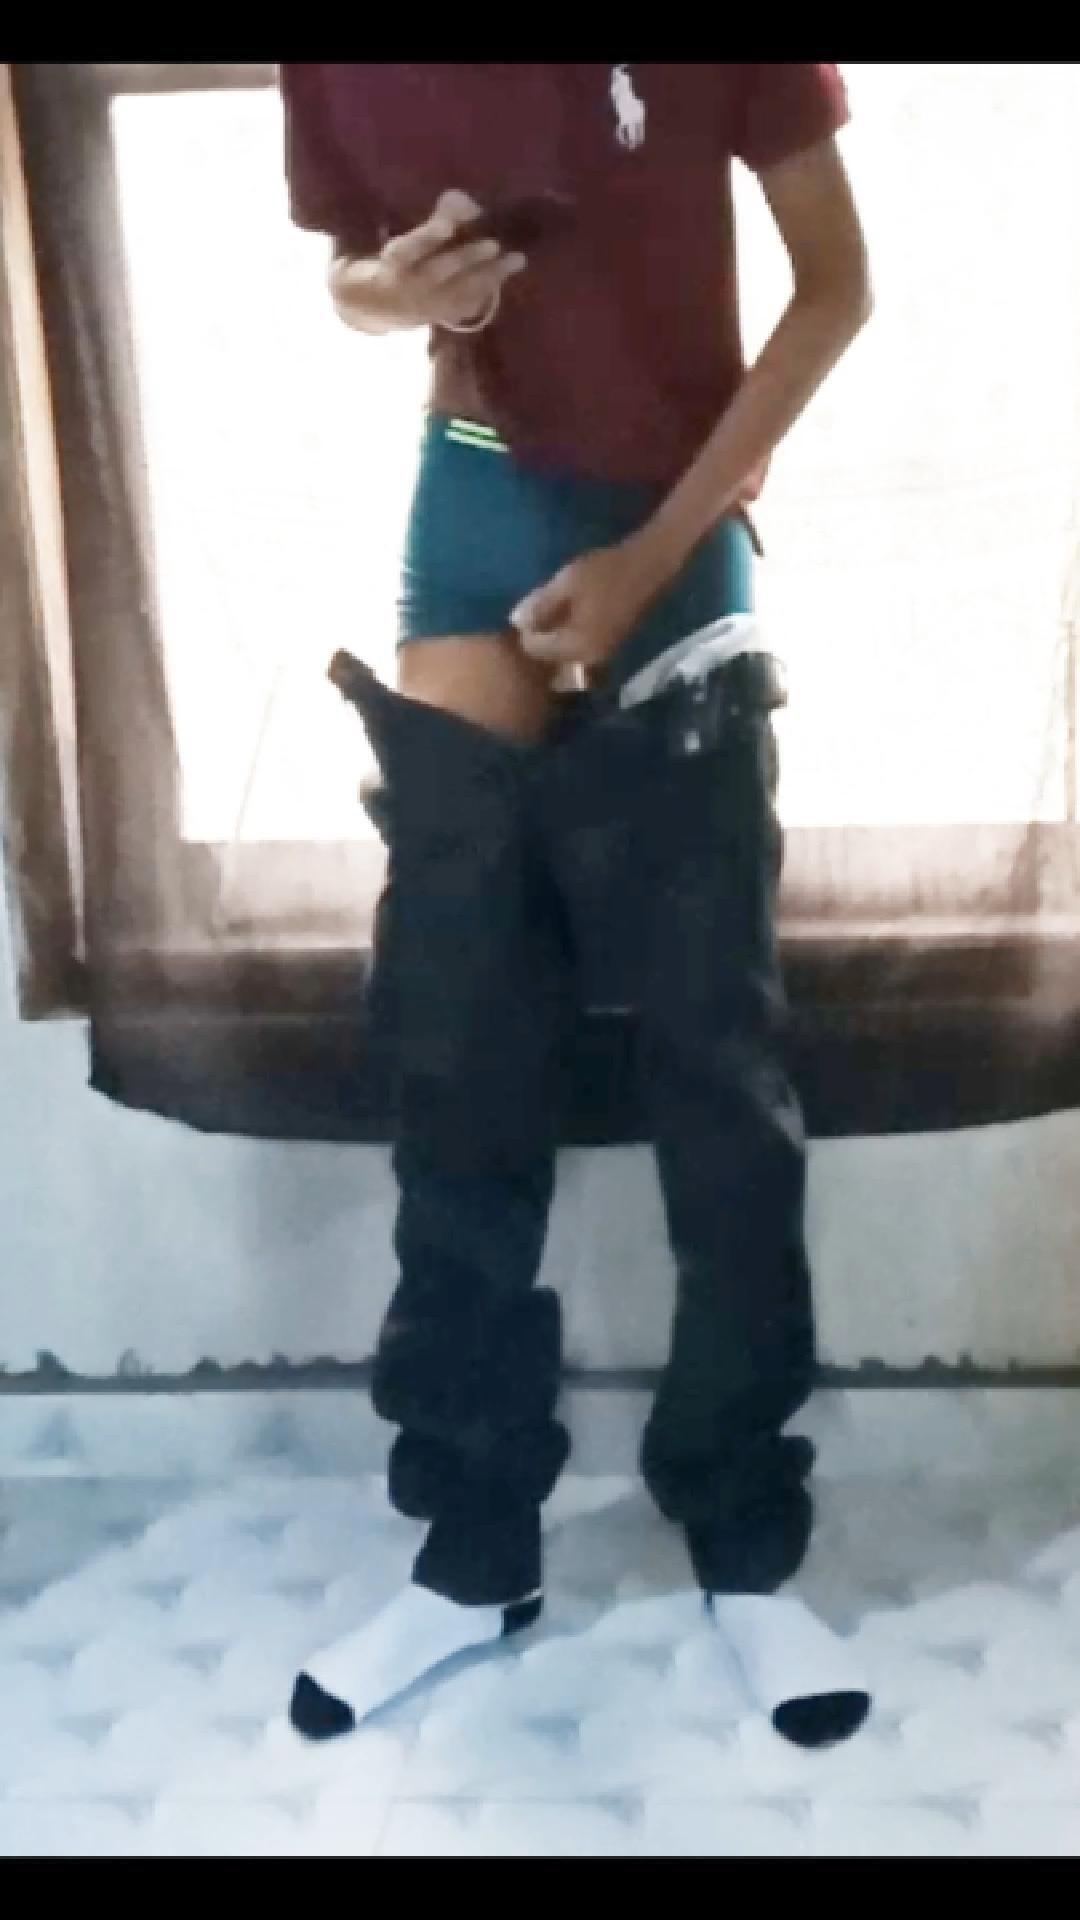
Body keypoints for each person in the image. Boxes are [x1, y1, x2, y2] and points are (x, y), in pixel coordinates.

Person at [279, 62, 874, 1750]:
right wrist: (397, 295)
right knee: (456, 1053)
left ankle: (744, 1542)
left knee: (718, 1067)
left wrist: (648, 560)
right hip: (470, 494)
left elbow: (838, 287)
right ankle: (473, 1555)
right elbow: (345, 277)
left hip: (677, 525)